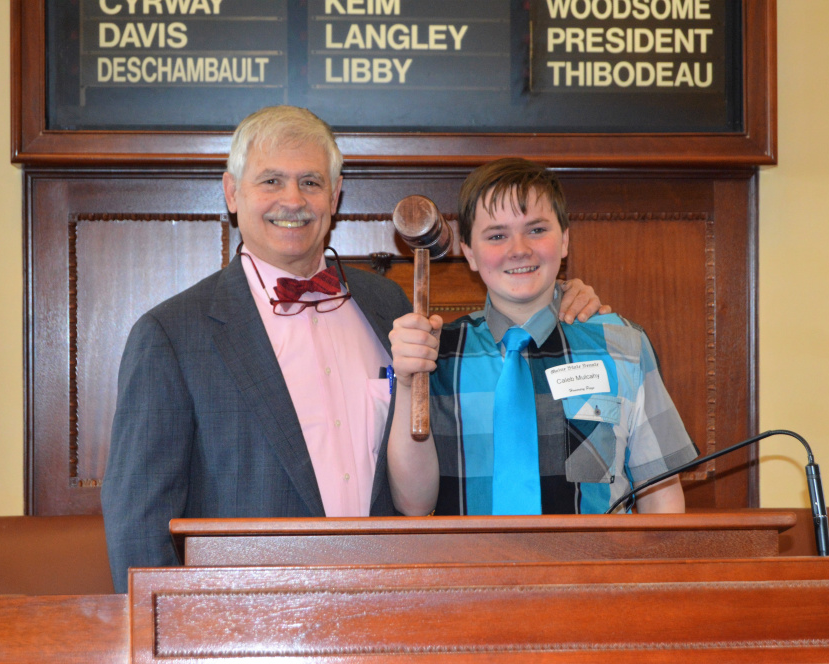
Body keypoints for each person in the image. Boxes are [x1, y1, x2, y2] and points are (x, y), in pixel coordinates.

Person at [101, 107, 606, 592]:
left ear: (336, 195)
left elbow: (497, 342)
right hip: (249, 627)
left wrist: (558, 298)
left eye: (311, 182)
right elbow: (138, 526)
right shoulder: (170, 336)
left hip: (390, 607)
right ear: (232, 192)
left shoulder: (388, 306)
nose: (293, 199)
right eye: (271, 181)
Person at [387, 158, 699, 517]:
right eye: (497, 235)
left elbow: (661, 497)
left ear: (564, 240)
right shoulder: (435, 354)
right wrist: (410, 384)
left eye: (536, 230)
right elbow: (413, 504)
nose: (519, 249)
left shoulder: (622, 346)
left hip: (596, 570)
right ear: (470, 253)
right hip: (471, 571)